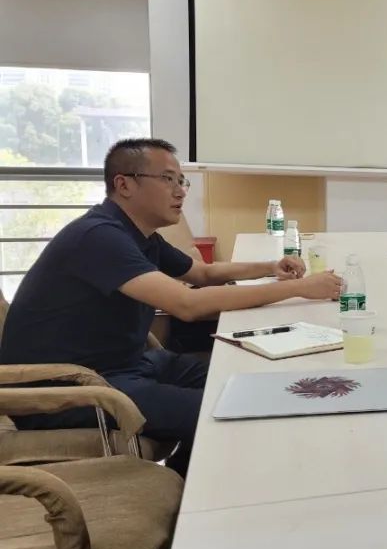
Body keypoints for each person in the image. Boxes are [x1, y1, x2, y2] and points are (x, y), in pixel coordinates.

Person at [0, 138, 343, 476]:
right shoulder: (98, 237)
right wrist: (299, 288)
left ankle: (184, 475)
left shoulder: (140, 236)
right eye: (167, 179)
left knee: (242, 380)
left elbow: (203, 273)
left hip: (125, 364)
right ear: (124, 185)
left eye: (182, 181)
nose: (180, 191)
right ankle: (189, 490)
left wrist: (270, 267)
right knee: (226, 408)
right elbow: (187, 304)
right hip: (68, 390)